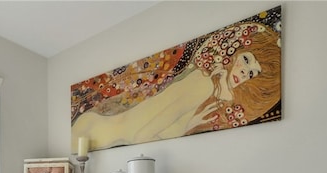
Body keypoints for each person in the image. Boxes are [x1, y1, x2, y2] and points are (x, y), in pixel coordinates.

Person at [71, 17, 281, 151]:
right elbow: (140, 135)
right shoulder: (203, 85)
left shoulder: (203, 81)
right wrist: (189, 127)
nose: (246, 72)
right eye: (246, 60)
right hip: (93, 133)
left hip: (93, 128)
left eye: (253, 73)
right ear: (234, 51)